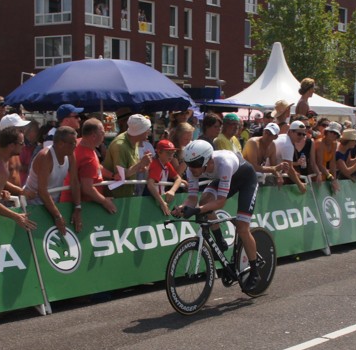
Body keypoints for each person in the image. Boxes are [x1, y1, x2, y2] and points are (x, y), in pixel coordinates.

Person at [172, 140, 262, 292]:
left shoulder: (224, 163)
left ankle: (254, 271)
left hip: (246, 179)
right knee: (204, 201)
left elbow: (220, 202)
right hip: (224, 178)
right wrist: (183, 207)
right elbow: (192, 198)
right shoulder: (192, 170)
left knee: (242, 228)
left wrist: (197, 210)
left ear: (207, 160)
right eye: (188, 164)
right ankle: (220, 241)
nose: (192, 168)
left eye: (195, 164)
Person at [24, 126, 81, 235]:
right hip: (33, 204)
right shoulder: (45, 157)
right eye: (73, 143)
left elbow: (74, 182)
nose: (76, 145)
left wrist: (77, 208)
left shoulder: (70, 154)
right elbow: (42, 191)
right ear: (61, 144)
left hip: (53, 202)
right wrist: (57, 216)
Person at [0, 124, 36, 230]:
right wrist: (16, 216)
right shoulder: (0, 168)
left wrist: (20, 191)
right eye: (21, 143)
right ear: (11, 146)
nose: (24, 145)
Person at [61, 118, 116, 217]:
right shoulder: (88, 159)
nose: (104, 135)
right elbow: (87, 188)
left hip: (71, 203)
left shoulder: (78, 143)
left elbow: (96, 168)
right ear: (93, 136)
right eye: (102, 133)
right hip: (83, 208)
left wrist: (113, 175)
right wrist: (105, 201)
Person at [102, 114, 153, 198]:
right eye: (147, 129)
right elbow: (120, 176)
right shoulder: (120, 146)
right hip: (116, 198)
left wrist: (142, 167)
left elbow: (131, 168)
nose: (149, 131)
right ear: (140, 132)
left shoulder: (134, 140)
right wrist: (140, 164)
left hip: (127, 195)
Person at [146, 139, 185, 216]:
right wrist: (162, 203)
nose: (171, 156)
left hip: (160, 199)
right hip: (151, 200)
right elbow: (150, 185)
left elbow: (178, 178)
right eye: (168, 153)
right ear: (159, 152)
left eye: (173, 153)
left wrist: (172, 191)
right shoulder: (155, 164)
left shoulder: (167, 164)